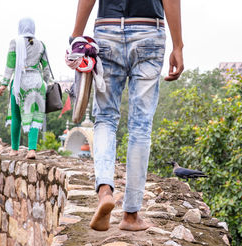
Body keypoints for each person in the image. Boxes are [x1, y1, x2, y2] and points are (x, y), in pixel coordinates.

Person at [71, 0, 184, 231]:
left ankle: (104, 191)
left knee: (105, 119)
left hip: (107, 29)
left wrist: (76, 36)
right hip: (148, 30)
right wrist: (178, 45)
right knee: (140, 127)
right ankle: (131, 215)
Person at [0, 18, 51, 160]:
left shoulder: (15, 42)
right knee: (35, 116)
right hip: (37, 84)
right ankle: (32, 150)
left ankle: (14, 149)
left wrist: (4, 84)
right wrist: (46, 83)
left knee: (16, 116)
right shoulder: (41, 45)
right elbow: (46, 68)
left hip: (20, 84)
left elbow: (10, 65)